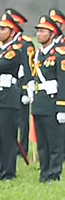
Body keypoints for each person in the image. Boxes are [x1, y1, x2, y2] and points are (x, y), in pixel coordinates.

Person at [0, 10, 33, 181]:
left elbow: (1, 64)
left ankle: (8, 172)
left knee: (7, 136)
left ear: (12, 32)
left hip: (7, 98)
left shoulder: (14, 50)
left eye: (4, 29)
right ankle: (0, 170)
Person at [33, 12, 65, 182]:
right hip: (39, 103)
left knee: (54, 143)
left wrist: (62, 107)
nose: (39, 34)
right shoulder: (38, 54)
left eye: (43, 31)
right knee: (42, 143)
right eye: (38, 31)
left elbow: (63, 82)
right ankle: (44, 172)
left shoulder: (60, 54)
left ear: (52, 34)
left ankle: (53, 173)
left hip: (53, 104)